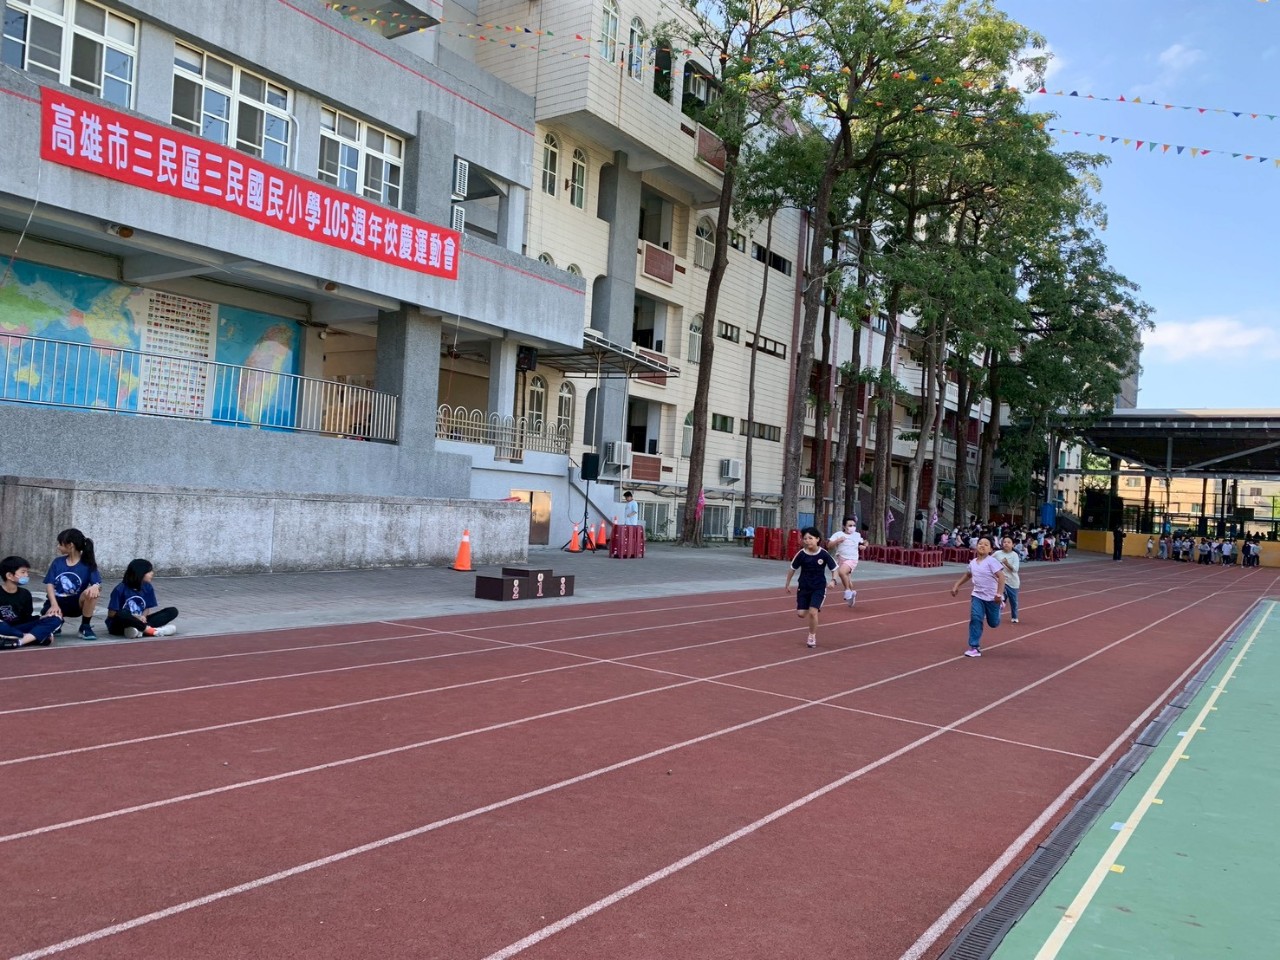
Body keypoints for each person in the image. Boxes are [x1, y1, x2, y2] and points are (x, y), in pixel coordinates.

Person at [42, 528, 102, 641]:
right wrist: (54, 604)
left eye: (60, 544)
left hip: (76, 603)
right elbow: (50, 584)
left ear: (70, 545)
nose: (58, 547)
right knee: (48, 623)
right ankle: (58, 622)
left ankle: (85, 626)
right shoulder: (57, 562)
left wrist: (95, 586)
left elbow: (97, 582)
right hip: (57, 602)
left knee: (93, 592)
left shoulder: (88, 564)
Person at [950, 534, 1005, 658]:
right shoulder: (973, 562)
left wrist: (999, 594)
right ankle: (974, 647)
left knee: (993, 623)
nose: (982, 546)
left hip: (992, 598)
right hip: (977, 596)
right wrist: (957, 585)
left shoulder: (992, 561)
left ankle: (1000, 605)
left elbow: (1001, 577)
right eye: (980, 543)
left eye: (986, 544)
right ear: (976, 546)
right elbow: (968, 575)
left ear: (991, 549)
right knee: (975, 618)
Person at [784, 526, 838, 649]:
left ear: (817, 539)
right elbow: (792, 568)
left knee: (813, 612)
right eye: (805, 538)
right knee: (801, 614)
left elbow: (834, 569)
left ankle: (812, 636)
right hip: (804, 587)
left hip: (818, 587)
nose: (807, 541)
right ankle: (812, 606)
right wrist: (787, 583)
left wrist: (833, 580)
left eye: (810, 538)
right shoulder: (801, 554)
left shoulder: (823, 554)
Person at [104, 559, 180, 639]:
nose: (152, 573)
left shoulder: (148, 587)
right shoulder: (120, 589)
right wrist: (135, 617)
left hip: (140, 621)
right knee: (122, 613)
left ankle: (138, 630)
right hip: (120, 624)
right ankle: (151, 630)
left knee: (172, 611)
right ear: (140, 573)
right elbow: (111, 614)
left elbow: (147, 608)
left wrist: (143, 616)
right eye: (149, 571)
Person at [0, 556, 63, 649]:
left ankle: (19, 641)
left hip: (20, 627)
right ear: (9, 575)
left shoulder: (25, 594)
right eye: (23, 572)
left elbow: (26, 618)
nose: (26, 575)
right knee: (46, 637)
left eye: (27, 572)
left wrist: (42, 618)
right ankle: (32, 637)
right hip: (3, 628)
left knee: (55, 618)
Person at [826, 515, 863, 608]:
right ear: (844, 526)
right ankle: (851, 594)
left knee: (841, 572)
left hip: (852, 559)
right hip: (841, 559)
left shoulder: (857, 535)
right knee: (848, 581)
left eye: (854, 525)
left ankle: (847, 591)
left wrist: (864, 546)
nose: (852, 527)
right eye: (850, 525)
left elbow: (864, 542)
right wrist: (838, 541)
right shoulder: (838, 534)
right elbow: (829, 545)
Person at [994, 536, 1021, 624]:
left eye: (1009, 542)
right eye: (1004, 542)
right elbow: (989, 561)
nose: (1006, 544)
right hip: (1001, 581)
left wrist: (1006, 563)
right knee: (1000, 598)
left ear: (1013, 545)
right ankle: (995, 615)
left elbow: (1015, 569)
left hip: (1012, 582)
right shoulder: (997, 553)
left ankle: (1014, 616)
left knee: (1013, 602)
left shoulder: (1014, 555)